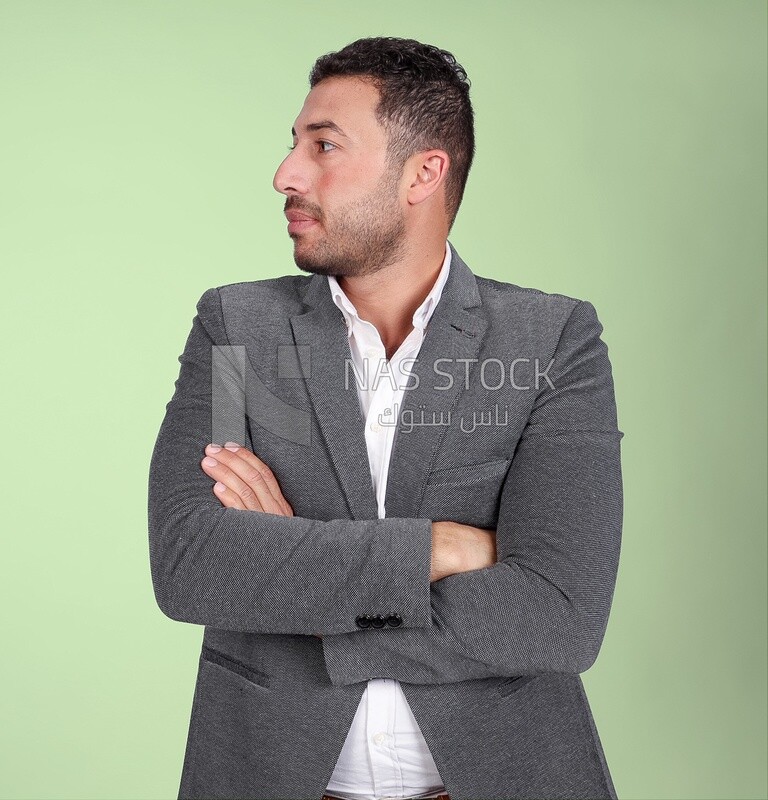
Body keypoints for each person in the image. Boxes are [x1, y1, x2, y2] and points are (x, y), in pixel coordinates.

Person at [148, 36, 624, 800]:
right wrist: (446, 548)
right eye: (294, 144)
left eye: (324, 145)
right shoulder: (239, 326)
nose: (286, 174)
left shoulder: (550, 340)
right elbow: (190, 565)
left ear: (422, 173)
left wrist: (294, 578)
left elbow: (559, 615)